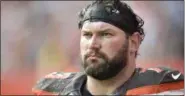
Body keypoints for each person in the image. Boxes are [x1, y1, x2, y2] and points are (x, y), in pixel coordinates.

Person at [32, 0, 184, 95]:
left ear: (134, 42)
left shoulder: (164, 89)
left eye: (106, 34)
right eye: (87, 35)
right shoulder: (50, 90)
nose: (93, 44)